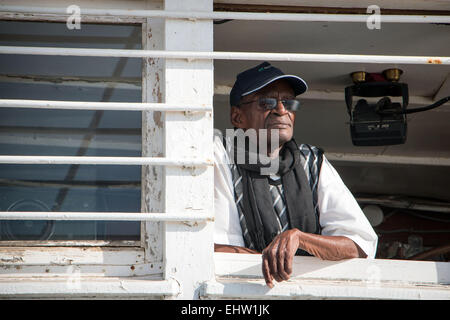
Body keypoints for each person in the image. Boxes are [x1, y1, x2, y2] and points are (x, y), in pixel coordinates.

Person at [213, 61, 378, 288]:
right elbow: (216, 249)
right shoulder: (220, 156)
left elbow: (361, 245)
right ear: (237, 117)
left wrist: (300, 238)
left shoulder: (311, 162)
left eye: (289, 102)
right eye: (267, 102)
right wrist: (275, 259)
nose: (282, 110)